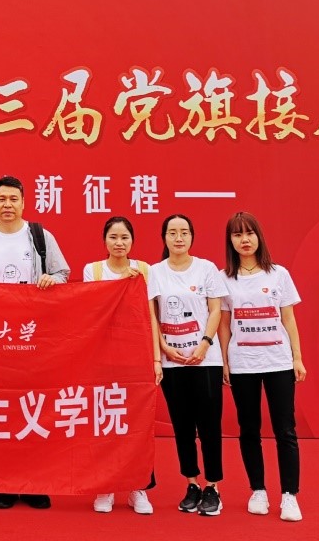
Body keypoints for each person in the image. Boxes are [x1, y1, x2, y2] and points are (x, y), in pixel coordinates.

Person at [0, 175, 69, 510]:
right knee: (2, 408)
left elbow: (63, 274)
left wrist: (51, 280)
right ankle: (5, 481)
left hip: (34, 336)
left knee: (35, 407)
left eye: (13, 199)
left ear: (24, 203)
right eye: (1, 199)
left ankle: (35, 481)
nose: (7, 205)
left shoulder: (40, 235)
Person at [218, 211, 305, 522]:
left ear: (259, 237)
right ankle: (258, 490)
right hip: (243, 363)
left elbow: (288, 318)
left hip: (277, 361)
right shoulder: (224, 278)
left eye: (250, 233)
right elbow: (224, 324)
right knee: (249, 428)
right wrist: (225, 362)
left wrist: (296, 357)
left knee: (285, 429)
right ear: (230, 241)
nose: (245, 240)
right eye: (237, 234)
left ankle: (289, 495)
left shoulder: (278, 274)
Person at [148, 213, 227, 516]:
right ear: (164, 238)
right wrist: (164, 347)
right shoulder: (155, 272)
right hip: (172, 363)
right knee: (182, 426)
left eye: (184, 232)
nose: (178, 238)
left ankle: (213, 486)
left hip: (205, 360)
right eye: (172, 232)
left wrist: (205, 343)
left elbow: (216, 310)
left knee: (209, 426)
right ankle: (192, 483)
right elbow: (152, 315)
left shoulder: (206, 269)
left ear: (192, 236)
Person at [81, 215, 161, 515]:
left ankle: (138, 487)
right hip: (103, 357)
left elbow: (151, 317)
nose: (119, 243)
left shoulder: (144, 270)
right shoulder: (93, 270)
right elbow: (91, 309)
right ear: (105, 241)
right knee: (104, 421)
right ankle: (105, 486)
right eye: (113, 237)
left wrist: (155, 359)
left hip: (136, 357)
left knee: (137, 424)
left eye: (124, 237)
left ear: (132, 241)